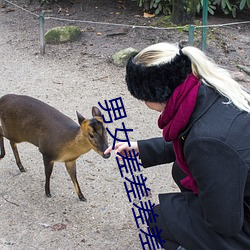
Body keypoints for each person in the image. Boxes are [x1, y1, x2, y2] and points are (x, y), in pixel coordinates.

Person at [104, 42, 250, 250]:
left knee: (159, 218)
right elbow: (193, 138)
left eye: (143, 98)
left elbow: (225, 224)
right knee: (181, 170)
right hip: (241, 188)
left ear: (155, 93)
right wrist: (142, 148)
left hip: (241, 224)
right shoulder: (209, 88)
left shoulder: (207, 142)